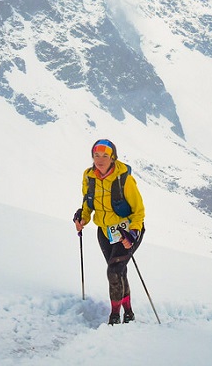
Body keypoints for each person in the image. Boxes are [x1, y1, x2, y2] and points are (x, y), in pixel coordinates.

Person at [73, 138, 145, 325]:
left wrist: (133, 234)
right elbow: (88, 204)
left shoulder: (124, 179)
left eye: (105, 155)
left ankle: (114, 317)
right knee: (118, 272)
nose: (100, 159)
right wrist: (83, 218)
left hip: (126, 232)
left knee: (113, 271)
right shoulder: (89, 176)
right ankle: (128, 313)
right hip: (105, 232)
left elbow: (139, 212)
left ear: (113, 157)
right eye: (96, 155)